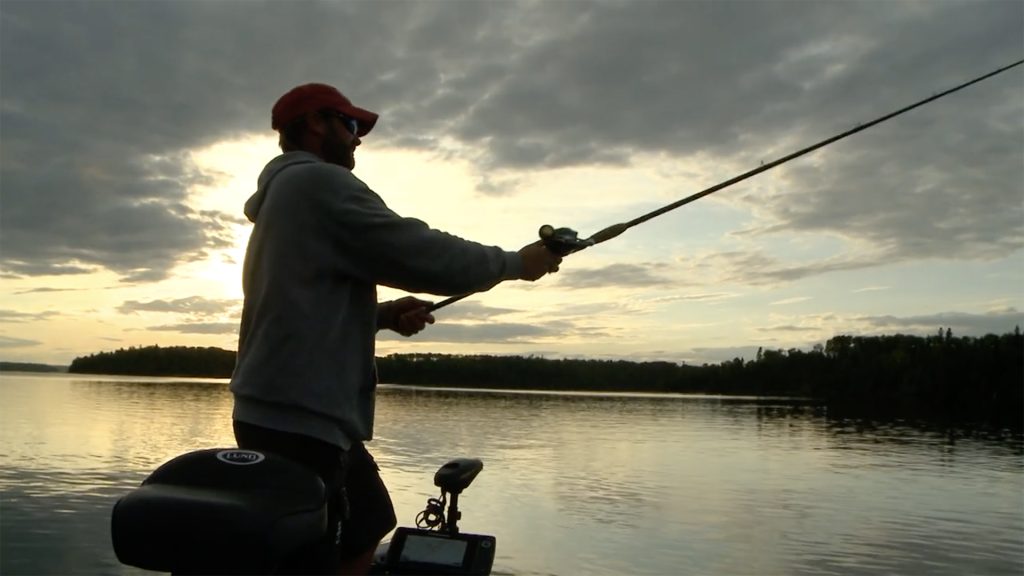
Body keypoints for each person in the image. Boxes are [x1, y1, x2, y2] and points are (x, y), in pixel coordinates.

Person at [229, 83, 562, 575]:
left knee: (366, 521)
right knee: (332, 545)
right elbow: (416, 250)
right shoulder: (318, 185)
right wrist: (515, 263)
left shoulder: (284, 200)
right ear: (317, 123)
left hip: (280, 410)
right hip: (300, 415)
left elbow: (300, 303)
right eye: (352, 124)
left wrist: (380, 317)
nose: (359, 137)